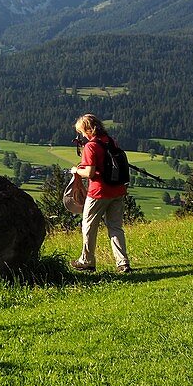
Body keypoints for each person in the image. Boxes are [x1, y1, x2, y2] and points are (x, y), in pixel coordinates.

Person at [69, 113, 131, 274]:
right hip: (118, 190)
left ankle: (87, 261)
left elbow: (89, 172)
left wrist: (76, 170)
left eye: (82, 131)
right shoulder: (111, 141)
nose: (81, 135)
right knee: (115, 227)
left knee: (88, 226)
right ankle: (122, 263)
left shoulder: (91, 146)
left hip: (99, 192)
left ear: (88, 129)